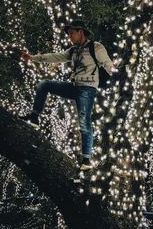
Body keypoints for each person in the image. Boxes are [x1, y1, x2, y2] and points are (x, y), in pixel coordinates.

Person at [20, 19, 114, 171]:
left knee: (84, 122)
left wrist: (114, 70)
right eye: (69, 34)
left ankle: (86, 160)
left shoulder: (95, 47)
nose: (70, 36)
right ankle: (34, 117)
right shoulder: (73, 50)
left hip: (87, 89)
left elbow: (107, 63)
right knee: (44, 85)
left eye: (72, 33)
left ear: (80, 32)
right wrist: (33, 58)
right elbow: (55, 57)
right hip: (74, 87)